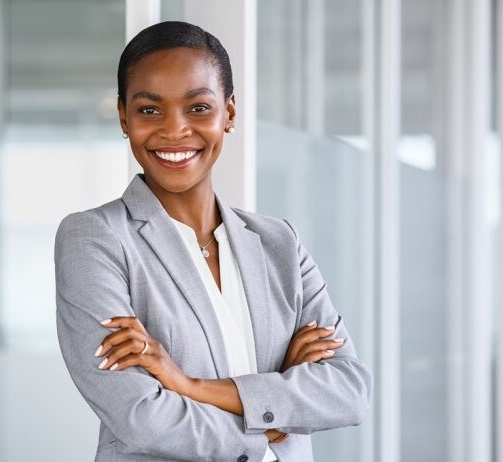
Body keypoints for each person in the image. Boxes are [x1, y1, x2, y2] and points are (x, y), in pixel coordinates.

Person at [55, 21, 372, 462]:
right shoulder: (94, 238)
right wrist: (275, 424)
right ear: (124, 118)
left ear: (230, 113)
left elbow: (349, 390)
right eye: (150, 110)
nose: (174, 130)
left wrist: (190, 386)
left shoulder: (279, 242)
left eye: (198, 108)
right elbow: (143, 419)